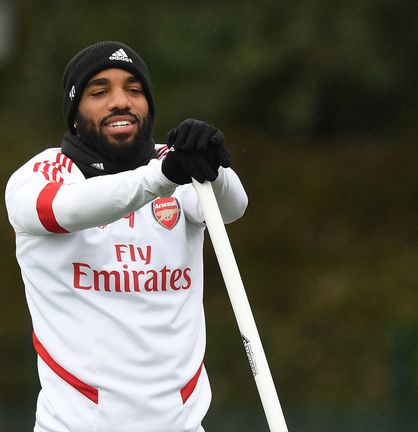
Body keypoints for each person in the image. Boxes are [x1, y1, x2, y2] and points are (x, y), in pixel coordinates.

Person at [5, 41, 248, 431]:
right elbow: (63, 209)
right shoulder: (41, 174)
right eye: (100, 92)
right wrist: (161, 176)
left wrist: (212, 165)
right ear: (74, 112)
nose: (121, 102)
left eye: (134, 90)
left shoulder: (176, 166)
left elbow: (234, 205)